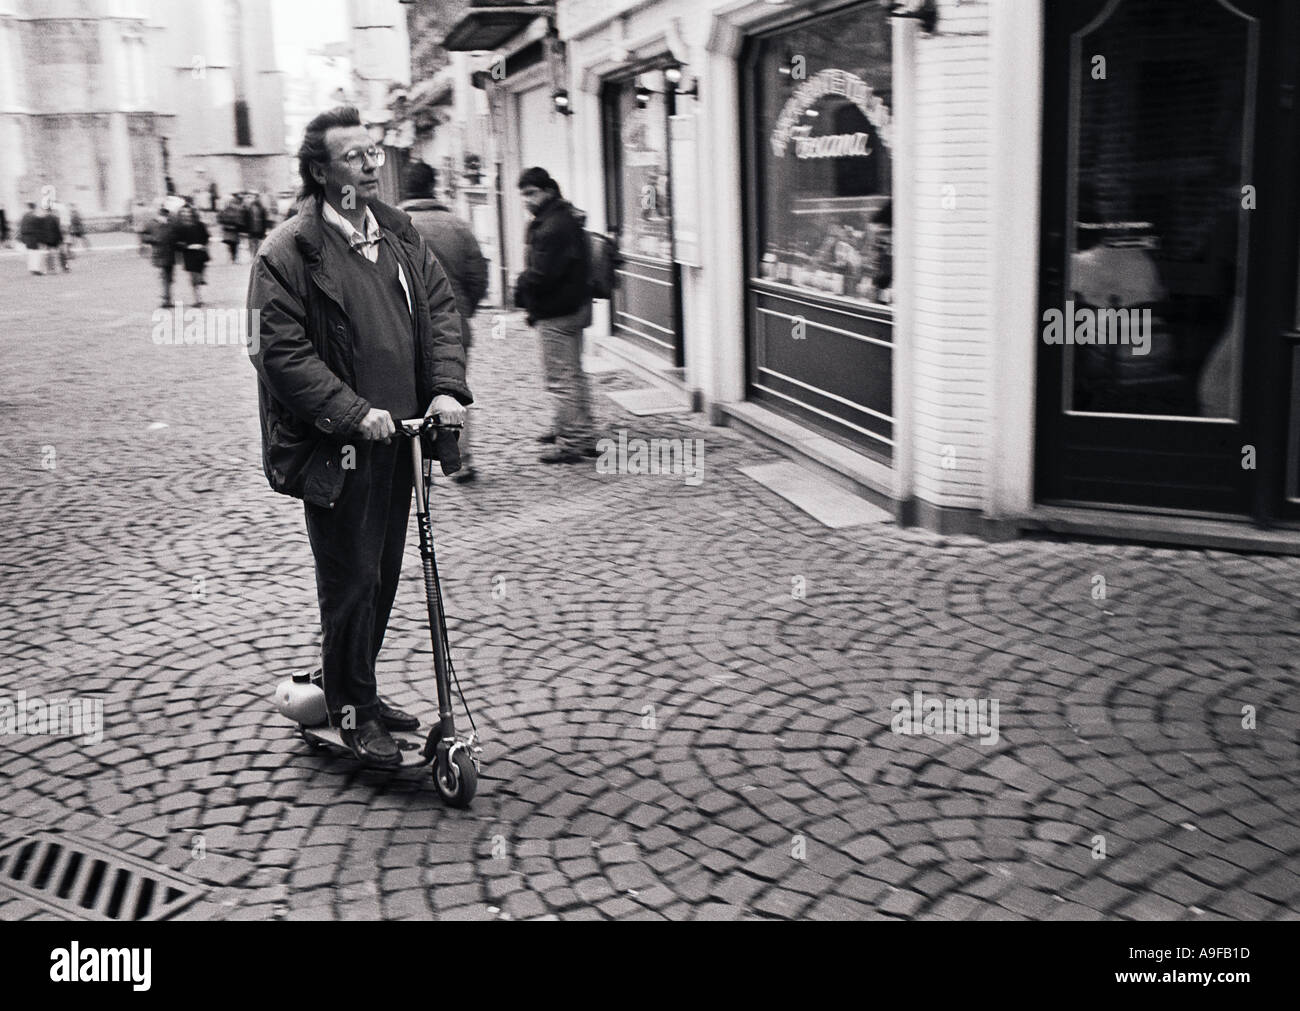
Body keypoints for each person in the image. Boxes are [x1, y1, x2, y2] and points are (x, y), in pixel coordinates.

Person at [247, 105, 472, 767]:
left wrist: (443, 389)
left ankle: (357, 689)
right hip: (341, 447)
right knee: (349, 581)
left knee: (382, 575)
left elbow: (439, 310)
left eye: (374, 153)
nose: (372, 165)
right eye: (355, 156)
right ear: (320, 171)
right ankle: (351, 707)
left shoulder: (398, 232)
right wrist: (351, 412)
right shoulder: (288, 252)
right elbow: (280, 352)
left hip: (402, 442)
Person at [400, 162, 488, 482]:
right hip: (454, 326)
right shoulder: (459, 226)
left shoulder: (390, 227)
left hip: (404, 329)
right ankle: (461, 460)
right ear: (434, 185)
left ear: (405, 188)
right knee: (453, 390)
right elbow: (478, 277)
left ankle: (419, 465)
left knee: (410, 397)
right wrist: (463, 311)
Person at [513, 166, 597, 463]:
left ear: (548, 190)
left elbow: (542, 274)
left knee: (560, 379)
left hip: (558, 311)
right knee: (573, 374)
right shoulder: (561, 217)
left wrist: (520, 286)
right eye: (523, 195)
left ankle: (572, 442)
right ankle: (580, 432)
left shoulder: (552, 226)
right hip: (574, 307)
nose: (527, 200)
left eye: (532, 193)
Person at [174, 204, 210, 306]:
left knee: (199, 275)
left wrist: (202, 245)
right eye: (184, 212)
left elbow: (206, 237)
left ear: (192, 213)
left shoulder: (200, 225)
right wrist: (186, 246)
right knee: (193, 277)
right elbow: (177, 242)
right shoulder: (179, 227)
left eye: (188, 212)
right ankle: (197, 299)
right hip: (189, 254)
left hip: (200, 253)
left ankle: (201, 281)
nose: (186, 214)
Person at [144, 205, 178, 306]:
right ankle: (166, 299)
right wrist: (154, 240)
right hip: (159, 253)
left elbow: (176, 237)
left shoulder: (171, 224)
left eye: (166, 216)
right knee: (165, 277)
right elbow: (144, 236)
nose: (165, 218)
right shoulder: (151, 224)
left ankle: (167, 298)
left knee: (169, 278)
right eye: (163, 216)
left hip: (170, 254)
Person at [19, 202, 44, 274]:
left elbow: (22, 228)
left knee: (31, 253)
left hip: (26, 237)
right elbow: (39, 228)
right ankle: (36, 269)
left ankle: (31, 268)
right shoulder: (34, 216)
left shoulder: (24, 216)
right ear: (34, 208)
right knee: (36, 253)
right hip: (34, 237)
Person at [218, 194, 244, 262]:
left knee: (232, 244)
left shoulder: (227, 208)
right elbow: (221, 218)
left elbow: (220, 218)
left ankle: (233, 257)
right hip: (232, 229)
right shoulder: (236, 208)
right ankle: (233, 257)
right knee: (233, 244)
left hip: (230, 229)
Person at [41, 203, 65, 273]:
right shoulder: (55, 218)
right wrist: (61, 239)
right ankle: (64, 267)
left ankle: (51, 269)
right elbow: (58, 229)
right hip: (55, 238)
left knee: (49, 254)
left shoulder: (42, 219)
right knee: (60, 253)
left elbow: (41, 230)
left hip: (47, 239)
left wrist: (42, 239)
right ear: (51, 210)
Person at [245, 193, 268, 258]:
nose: (256, 199)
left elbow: (264, 220)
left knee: (257, 243)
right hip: (252, 229)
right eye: (255, 197)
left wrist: (264, 229)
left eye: (257, 197)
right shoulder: (250, 207)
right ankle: (252, 255)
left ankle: (255, 255)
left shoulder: (262, 208)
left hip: (259, 229)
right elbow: (246, 218)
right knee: (253, 243)